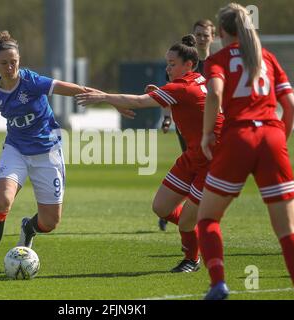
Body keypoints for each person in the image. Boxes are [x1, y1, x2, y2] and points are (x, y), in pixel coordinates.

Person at [0, 31, 133, 276]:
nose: (10, 66)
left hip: (48, 152)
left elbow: (76, 90)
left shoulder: (32, 82)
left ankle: (29, 228)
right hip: (15, 150)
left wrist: (110, 100)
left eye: (14, 61)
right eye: (4, 63)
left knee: (50, 222)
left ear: (19, 60)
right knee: (2, 201)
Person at [77, 35, 224, 273]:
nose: (167, 68)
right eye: (166, 63)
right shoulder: (199, 80)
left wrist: (104, 97)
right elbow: (185, 104)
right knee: (161, 207)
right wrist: (164, 98)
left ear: (189, 64)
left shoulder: (182, 87)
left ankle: (192, 259)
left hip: (212, 160)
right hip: (193, 156)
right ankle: (198, 228)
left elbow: (139, 101)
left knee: (186, 221)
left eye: (172, 63)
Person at [197, 3, 294, 300]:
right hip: (272, 136)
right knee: (288, 232)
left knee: (207, 219)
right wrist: (278, 140)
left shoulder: (219, 59)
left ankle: (218, 283)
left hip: (238, 138)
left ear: (221, 31)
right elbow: (292, 108)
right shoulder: (267, 58)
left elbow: (215, 93)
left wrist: (208, 133)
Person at [158, 19, 216, 232]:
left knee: (203, 173)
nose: (201, 38)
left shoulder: (217, 64)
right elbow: (168, 94)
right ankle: (179, 211)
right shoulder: (178, 62)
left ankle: (191, 220)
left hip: (212, 133)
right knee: (191, 169)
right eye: (198, 34)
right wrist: (166, 118)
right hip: (189, 130)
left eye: (205, 35)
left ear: (213, 38)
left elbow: (221, 95)